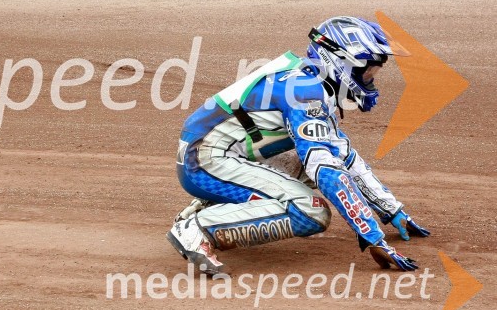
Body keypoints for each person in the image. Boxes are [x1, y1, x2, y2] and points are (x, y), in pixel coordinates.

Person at [167, 16, 430, 275]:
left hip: (213, 153)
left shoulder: (311, 81)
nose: (370, 78)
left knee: (319, 164)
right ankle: (198, 228)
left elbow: (343, 155)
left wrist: (391, 209)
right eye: (367, 70)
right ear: (340, 60)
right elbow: (326, 170)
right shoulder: (306, 93)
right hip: (203, 161)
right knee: (311, 211)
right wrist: (371, 235)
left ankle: (209, 206)